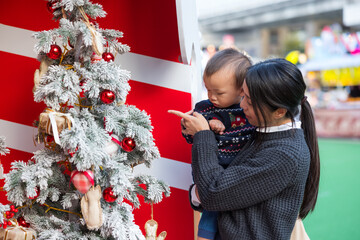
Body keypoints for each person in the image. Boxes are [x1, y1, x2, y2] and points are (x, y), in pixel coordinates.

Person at [169, 58, 320, 239]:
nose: (241, 106)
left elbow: (213, 193)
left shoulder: (284, 155)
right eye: (242, 95)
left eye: (249, 100)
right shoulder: (264, 132)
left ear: (279, 111)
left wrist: (203, 135)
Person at [182, 48, 255, 240]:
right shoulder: (205, 108)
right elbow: (191, 136)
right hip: (210, 169)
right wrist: (195, 127)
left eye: (219, 92)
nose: (212, 96)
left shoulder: (248, 112)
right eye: (207, 89)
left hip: (238, 172)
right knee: (209, 213)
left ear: (242, 90)